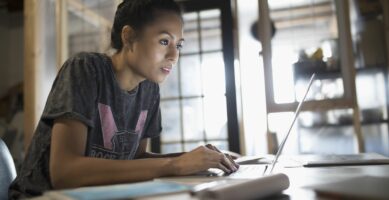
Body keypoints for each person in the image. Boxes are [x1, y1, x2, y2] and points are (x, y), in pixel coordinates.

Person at [9, 0, 239, 198]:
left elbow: (134, 160)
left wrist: (194, 159)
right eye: (164, 41)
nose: (174, 55)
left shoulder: (149, 90)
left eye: (178, 45)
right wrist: (176, 164)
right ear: (128, 36)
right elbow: (65, 173)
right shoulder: (85, 70)